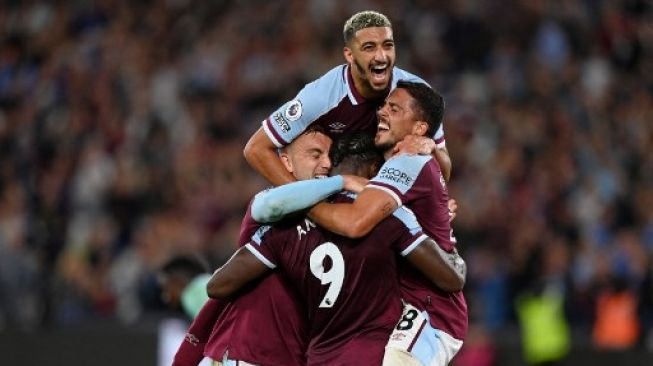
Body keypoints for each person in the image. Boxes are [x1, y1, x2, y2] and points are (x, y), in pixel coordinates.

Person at [247, 81, 467, 365]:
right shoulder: (402, 168)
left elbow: (354, 223)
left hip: (432, 312)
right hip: (409, 304)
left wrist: (311, 197)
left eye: (394, 108)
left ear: (419, 129)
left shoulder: (408, 163)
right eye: (384, 106)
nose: (382, 112)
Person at [173, 126, 336, 366]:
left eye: (330, 156)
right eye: (315, 155)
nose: (327, 164)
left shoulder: (330, 220)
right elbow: (271, 204)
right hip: (243, 354)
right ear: (286, 162)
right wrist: (343, 182)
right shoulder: (270, 210)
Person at [243, 10, 452, 188]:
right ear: (349, 55)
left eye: (387, 45)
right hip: (331, 191)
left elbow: (445, 171)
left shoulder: (416, 94)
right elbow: (256, 149)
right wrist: (307, 203)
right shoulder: (321, 97)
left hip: (385, 195)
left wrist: (430, 148)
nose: (381, 56)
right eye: (369, 47)